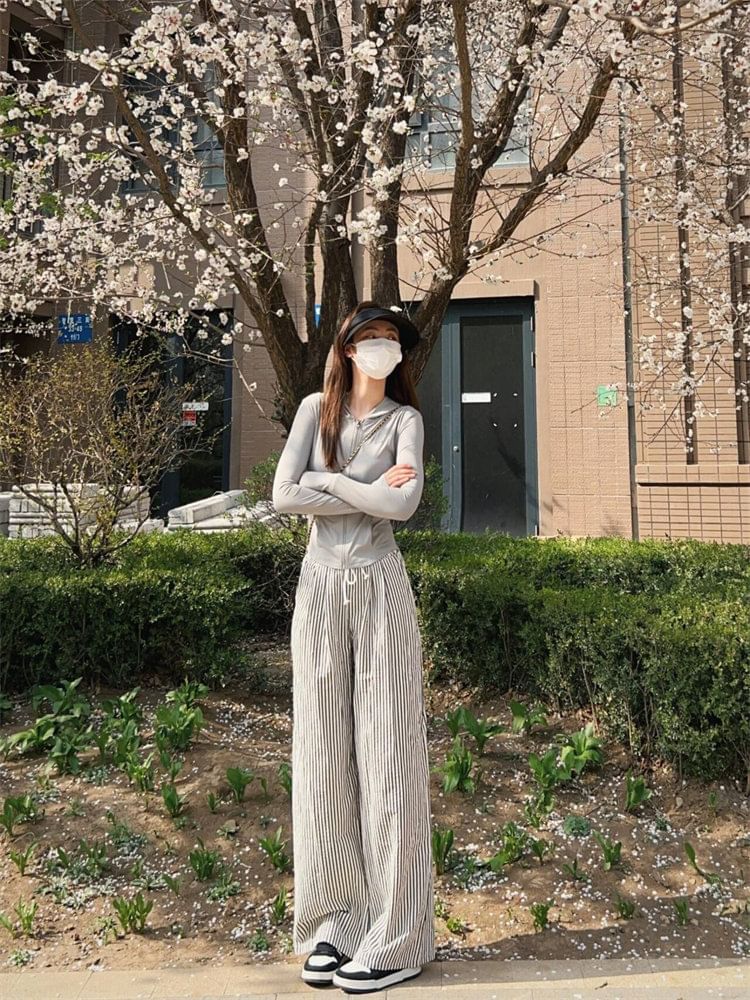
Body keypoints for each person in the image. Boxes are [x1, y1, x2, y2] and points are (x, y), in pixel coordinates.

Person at [271, 301, 435, 994]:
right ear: (345, 349)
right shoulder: (316, 411)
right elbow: (283, 495)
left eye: (391, 338)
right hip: (320, 588)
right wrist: (364, 488)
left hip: (379, 586)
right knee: (321, 753)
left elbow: (402, 507)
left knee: (389, 752)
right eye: (370, 337)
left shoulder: (405, 421)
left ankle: (398, 934)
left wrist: (329, 482)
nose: (382, 347)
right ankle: (333, 924)